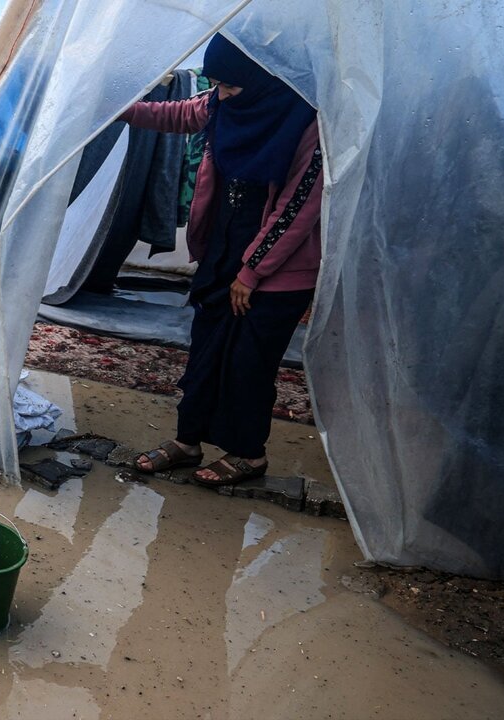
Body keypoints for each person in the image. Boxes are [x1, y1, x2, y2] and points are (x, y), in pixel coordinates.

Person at [128, 34, 322, 486]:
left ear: (263, 78)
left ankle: (248, 454)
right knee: (206, 352)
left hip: (278, 270)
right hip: (224, 249)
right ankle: (187, 441)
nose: (222, 94)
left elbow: (297, 208)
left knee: (250, 364)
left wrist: (251, 272)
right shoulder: (221, 104)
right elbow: (175, 114)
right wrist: (117, 110)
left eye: (230, 86)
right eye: (215, 84)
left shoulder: (306, 122)